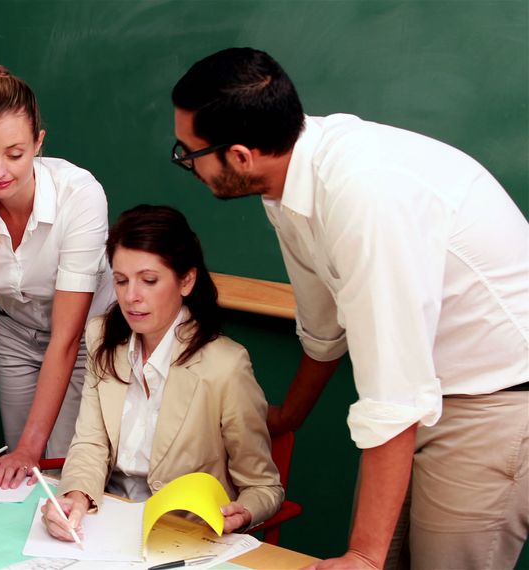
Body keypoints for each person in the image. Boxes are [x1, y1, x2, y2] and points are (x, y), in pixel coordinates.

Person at [171, 47, 528, 569]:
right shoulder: (287, 182)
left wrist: (361, 554)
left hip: (492, 402)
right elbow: (323, 324)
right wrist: (289, 415)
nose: (188, 165)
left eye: (190, 153)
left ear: (242, 156)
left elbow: (396, 393)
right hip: (420, 394)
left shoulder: (365, 199)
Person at [41, 205, 284, 541]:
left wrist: (245, 511)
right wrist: (76, 498)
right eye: (121, 281)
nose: (131, 297)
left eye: (149, 281)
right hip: (107, 520)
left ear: (186, 280)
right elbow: (91, 442)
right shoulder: (102, 336)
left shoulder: (225, 366)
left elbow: (263, 487)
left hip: (181, 536)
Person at [0, 64, 111, 489]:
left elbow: (67, 337)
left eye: (14, 154)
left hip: (86, 337)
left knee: (64, 465)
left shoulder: (80, 194)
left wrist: (32, 448)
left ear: (38, 143)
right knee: (17, 477)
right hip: (15, 333)